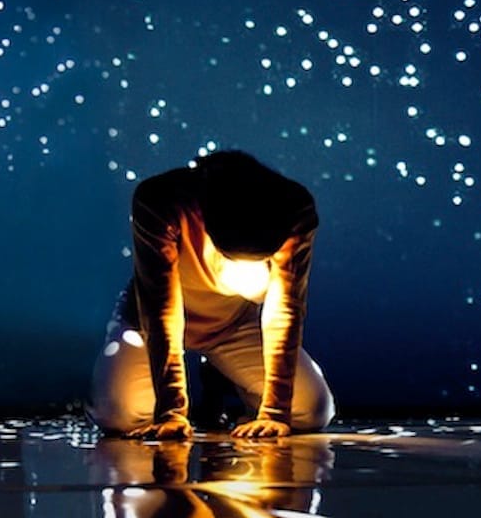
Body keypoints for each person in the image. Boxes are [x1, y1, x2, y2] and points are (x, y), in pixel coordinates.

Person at [90, 151, 335, 439]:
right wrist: (171, 412)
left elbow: (285, 309)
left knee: (312, 411)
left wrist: (275, 412)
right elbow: (160, 308)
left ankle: (223, 377)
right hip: (146, 323)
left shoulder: (296, 209)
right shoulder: (160, 200)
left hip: (233, 323)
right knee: (120, 416)